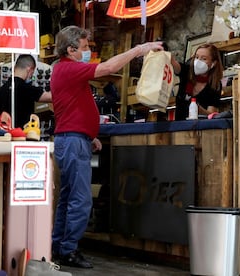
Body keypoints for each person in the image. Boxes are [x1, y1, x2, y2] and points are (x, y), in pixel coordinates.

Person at [50, 25, 163, 269]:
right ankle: (68, 250)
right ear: (70, 50)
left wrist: (89, 135)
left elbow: (71, 107)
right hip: (72, 141)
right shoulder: (70, 67)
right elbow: (110, 68)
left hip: (73, 139)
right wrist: (139, 49)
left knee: (69, 197)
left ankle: (59, 246)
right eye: (85, 48)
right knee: (80, 200)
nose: (88, 51)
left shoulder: (63, 69)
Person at [0, 54, 52, 128]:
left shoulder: (1, 90)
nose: (31, 75)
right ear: (29, 69)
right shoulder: (27, 89)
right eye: (32, 72)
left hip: (5, 134)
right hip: (22, 134)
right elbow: (51, 97)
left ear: (15, 68)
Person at [171, 43, 224, 120]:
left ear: (213, 63)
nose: (198, 61)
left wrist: (199, 110)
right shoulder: (187, 72)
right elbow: (176, 66)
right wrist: (169, 58)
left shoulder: (215, 85)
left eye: (204, 58)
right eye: (197, 57)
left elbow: (211, 114)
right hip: (180, 126)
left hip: (201, 128)